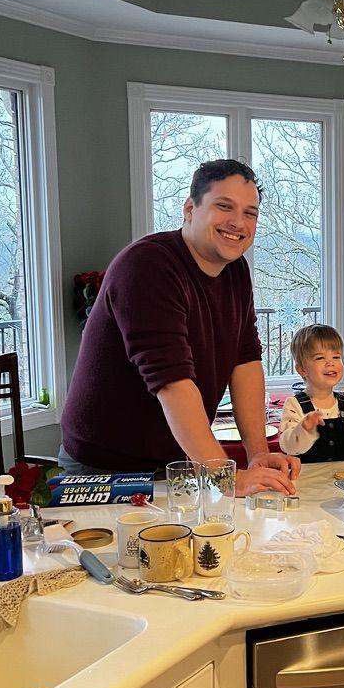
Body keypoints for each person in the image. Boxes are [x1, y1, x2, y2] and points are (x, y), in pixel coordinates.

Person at [59, 159, 298, 496]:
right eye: (223, 206)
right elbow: (173, 384)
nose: (238, 222)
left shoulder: (236, 271)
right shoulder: (147, 266)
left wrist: (257, 453)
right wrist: (225, 477)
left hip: (174, 459)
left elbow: (246, 362)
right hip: (102, 466)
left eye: (250, 213)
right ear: (190, 209)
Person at [279, 324, 344, 462]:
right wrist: (304, 429)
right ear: (302, 369)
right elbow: (288, 447)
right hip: (309, 480)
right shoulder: (294, 405)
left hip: (341, 479)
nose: (330, 363)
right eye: (320, 358)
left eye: (336, 357)